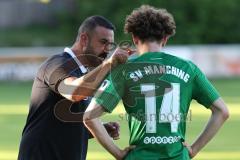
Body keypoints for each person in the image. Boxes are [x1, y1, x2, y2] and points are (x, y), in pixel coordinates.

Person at [83, 5, 229, 160]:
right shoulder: (188, 68)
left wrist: (118, 154)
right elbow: (222, 111)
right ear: (165, 38)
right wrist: (193, 149)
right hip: (178, 156)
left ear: (135, 38)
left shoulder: (123, 70)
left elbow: (89, 117)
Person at [18, 15, 129, 160]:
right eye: (103, 42)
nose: (107, 50)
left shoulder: (83, 73)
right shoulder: (57, 64)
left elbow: (64, 120)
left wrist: (100, 129)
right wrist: (110, 63)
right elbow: (74, 92)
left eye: (110, 45)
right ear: (84, 39)